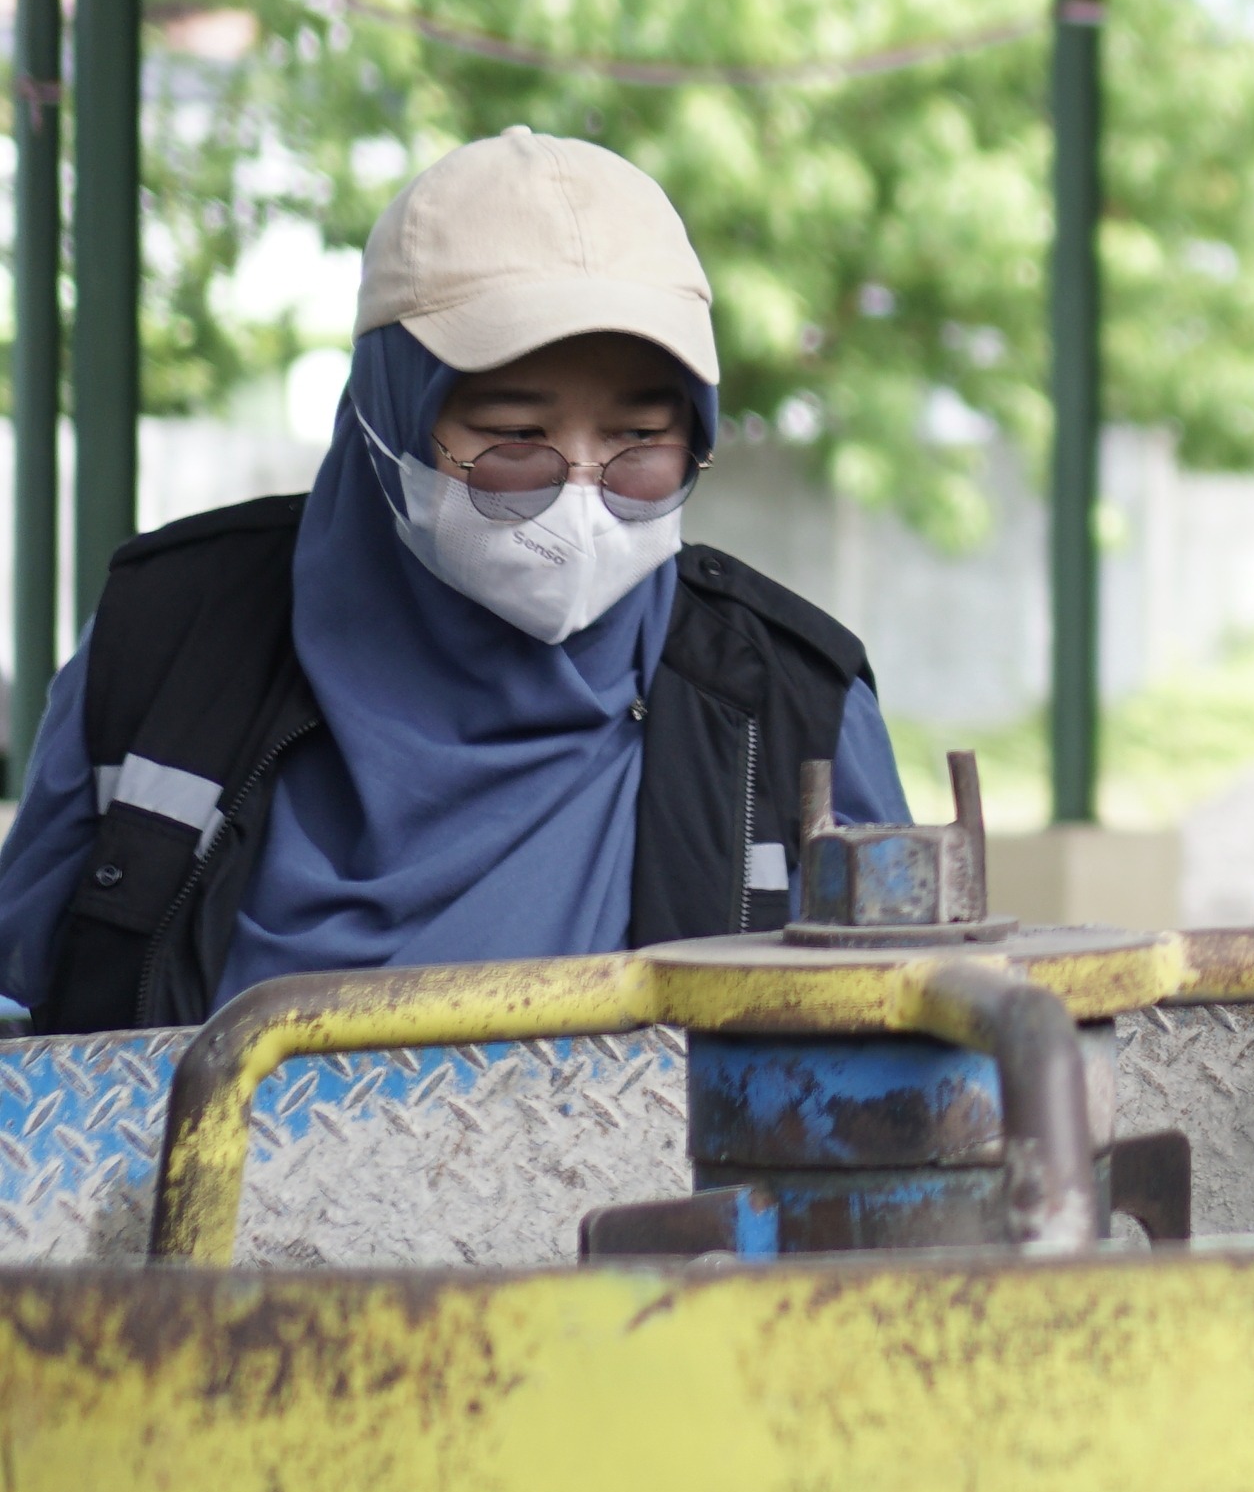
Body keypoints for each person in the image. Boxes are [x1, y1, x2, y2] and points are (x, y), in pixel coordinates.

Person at [0, 128, 909, 1031]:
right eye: (515, 437)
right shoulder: (172, 642)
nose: (582, 497)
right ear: (387, 415)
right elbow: (29, 1024)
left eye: (640, 441)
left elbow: (888, 1072)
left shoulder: (788, 705)